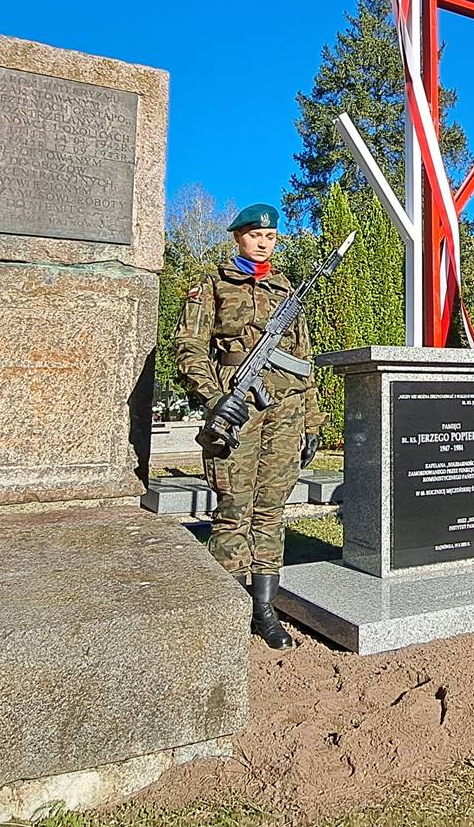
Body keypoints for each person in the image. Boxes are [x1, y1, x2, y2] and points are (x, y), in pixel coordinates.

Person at [172, 203, 323, 649]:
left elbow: (303, 361)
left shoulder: (286, 291)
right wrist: (217, 399)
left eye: (271, 237)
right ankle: (226, 609)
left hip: (287, 409)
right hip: (238, 408)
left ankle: (264, 610)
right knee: (234, 508)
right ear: (238, 236)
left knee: (271, 509)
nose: (263, 242)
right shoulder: (213, 284)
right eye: (255, 235)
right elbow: (188, 347)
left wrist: (312, 420)